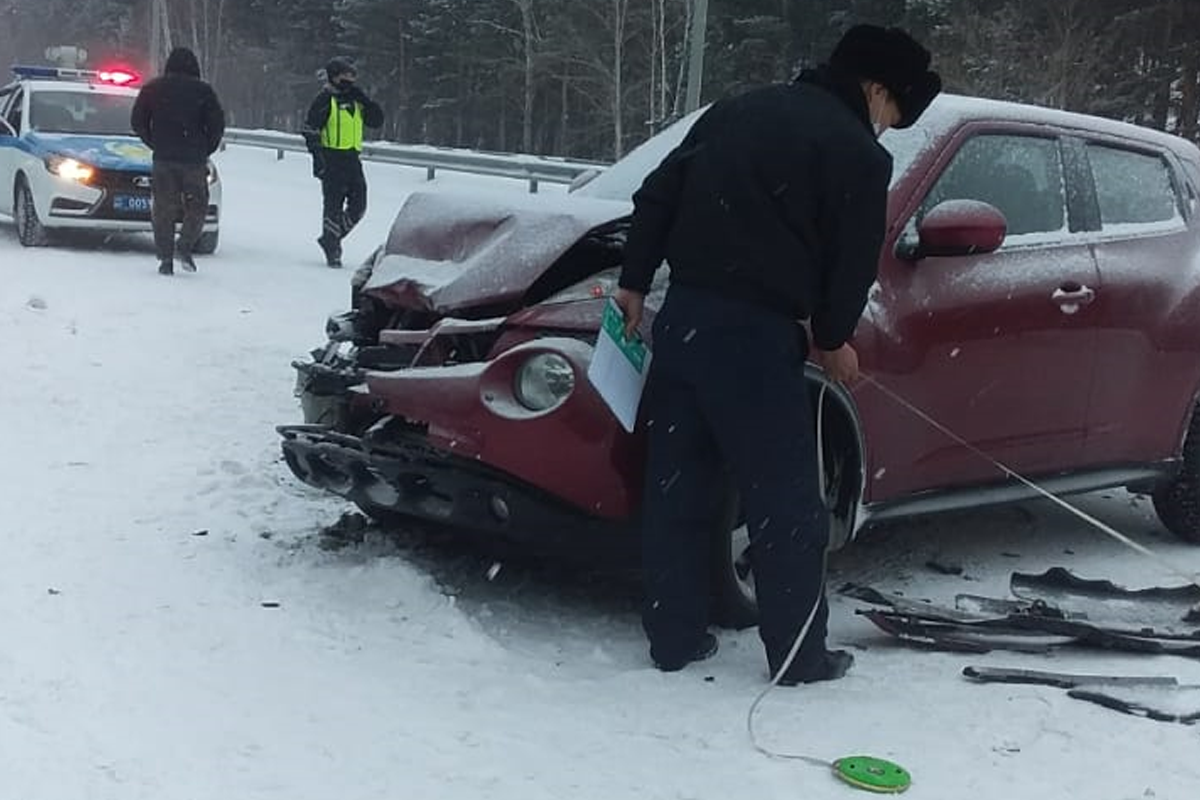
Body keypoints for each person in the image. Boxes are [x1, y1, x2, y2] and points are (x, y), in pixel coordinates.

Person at [613, 24, 941, 683]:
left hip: (684, 324)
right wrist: (834, 337)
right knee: (787, 503)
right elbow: (852, 266)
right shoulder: (856, 154)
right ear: (875, 88)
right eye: (893, 112)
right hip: (759, 341)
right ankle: (798, 656)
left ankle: (674, 639)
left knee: (679, 487)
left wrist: (633, 281)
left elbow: (657, 194)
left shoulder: (737, 108)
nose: (887, 129)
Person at [130, 47, 225, 276]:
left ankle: (165, 258)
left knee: (163, 209)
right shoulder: (204, 91)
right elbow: (217, 125)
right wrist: (204, 149)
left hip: (164, 160)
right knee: (198, 206)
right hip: (194, 160)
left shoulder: (153, 89)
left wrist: (155, 142)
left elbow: (137, 121)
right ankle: (185, 244)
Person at [302, 57, 384, 267]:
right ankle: (333, 249)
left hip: (352, 159)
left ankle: (331, 237)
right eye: (345, 75)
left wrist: (365, 100)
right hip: (331, 159)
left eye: (352, 75)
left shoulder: (356, 100)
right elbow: (310, 130)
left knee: (359, 206)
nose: (350, 79)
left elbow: (376, 121)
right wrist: (318, 158)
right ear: (334, 76)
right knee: (333, 206)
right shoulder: (324, 99)